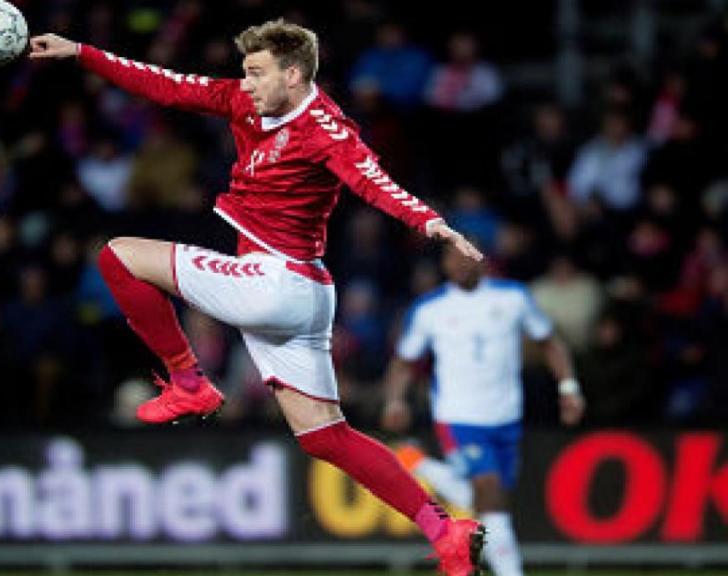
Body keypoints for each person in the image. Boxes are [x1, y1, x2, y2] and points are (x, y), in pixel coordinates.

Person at [30, 19, 486, 575]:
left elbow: (374, 181)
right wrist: (81, 52)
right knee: (327, 438)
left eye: (255, 73)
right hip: (305, 294)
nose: (244, 84)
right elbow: (166, 83)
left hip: (276, 284)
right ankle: (445, 531)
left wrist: (432, 223)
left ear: (292, 74)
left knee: (117, 255)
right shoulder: (245, 102)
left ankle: (188, 382)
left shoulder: (328, 129)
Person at [381, 245, 586, 576]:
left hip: (506, 417)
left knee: (486, 502)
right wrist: (395, 401)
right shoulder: (430, 309)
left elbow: (550, 342)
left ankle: (416, 463)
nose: (460, 263)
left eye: (467, 256)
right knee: (489, 494)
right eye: (453, 257)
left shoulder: (513, 298)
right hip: (458, 416)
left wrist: (569, 388)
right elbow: (404, 361)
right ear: (444, 265)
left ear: (483, 261)